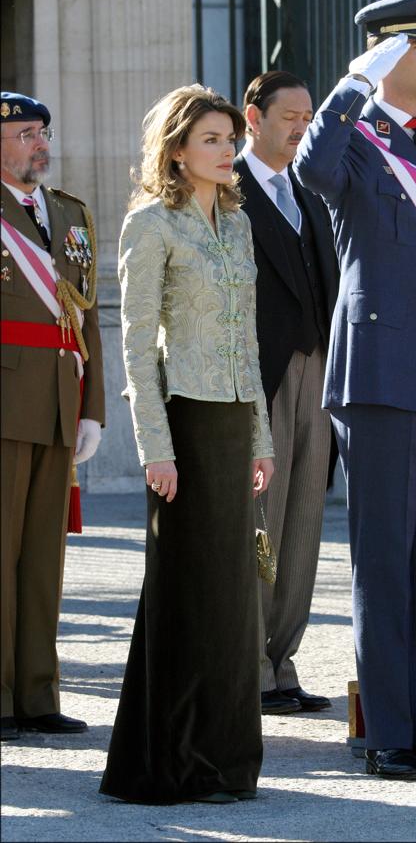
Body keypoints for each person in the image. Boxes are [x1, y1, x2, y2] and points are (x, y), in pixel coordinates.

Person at [295, 0, 416, 779]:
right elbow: (312, 170)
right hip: (379, 376)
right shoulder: (353, 139)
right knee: (383, 561)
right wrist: (352, 85)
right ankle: (387, 734)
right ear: (383, 55)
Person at [99, 84, 274, 805]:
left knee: (234, 597)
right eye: (211, 139)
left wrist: (262, 436)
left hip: (235, 424)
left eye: (230, 139)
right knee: (185, 593)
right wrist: (155, 449)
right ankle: (166, 762)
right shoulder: (151, 224)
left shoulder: (237, 225)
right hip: (184, 424)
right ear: (176, 150)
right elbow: (138, 349)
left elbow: (250, 341)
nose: (227, 150)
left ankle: (227, 761)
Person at [1, 91, 105, 742]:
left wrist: (91, 407)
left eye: (43, 132)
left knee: (43, 559)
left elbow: (85, 315)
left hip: (60, 403)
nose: (41, 144)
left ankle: (38, 693)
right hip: (5, 402)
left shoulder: (68, 214)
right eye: (26, 134)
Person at [234, 71, 338, 715]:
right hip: (261, 379)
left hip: (317, 374)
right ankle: (249, 662)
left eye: (308, 116)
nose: (301, 127)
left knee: (304, 519)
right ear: (255, 117)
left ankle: (284, 657)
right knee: (260, 526)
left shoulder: (311, 190)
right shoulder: (228, 190)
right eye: (290, 116)